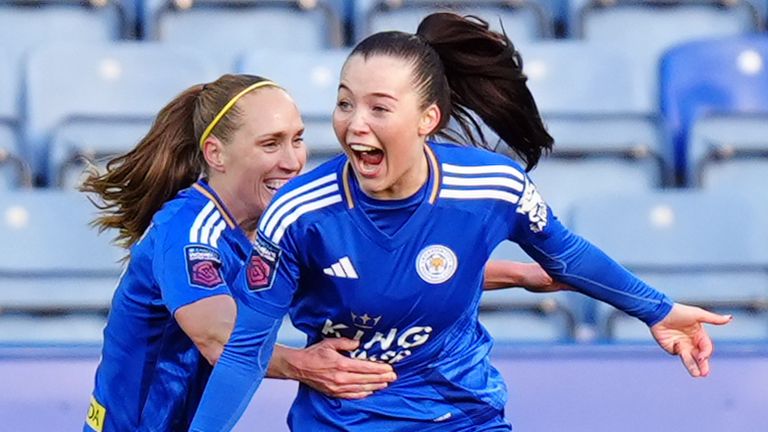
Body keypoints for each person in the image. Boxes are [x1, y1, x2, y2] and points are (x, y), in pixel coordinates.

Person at [189, 13, 733, 432]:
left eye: (379, 108)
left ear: (429, 120)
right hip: (343, 423)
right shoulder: (299, 213)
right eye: (344, 103)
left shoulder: (492, 188)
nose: (355, 125)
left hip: (462, 414)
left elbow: (565, 255)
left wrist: (657, 311)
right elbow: (244, 349)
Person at [81, 73, 564, 431]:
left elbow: (382, 279)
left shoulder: (275, 229)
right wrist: (303, 364)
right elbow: (215, 336)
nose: (293, 161)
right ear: (216, 154)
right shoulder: (189, 231)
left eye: (297, 140)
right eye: (271, 144)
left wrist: (520, 275)